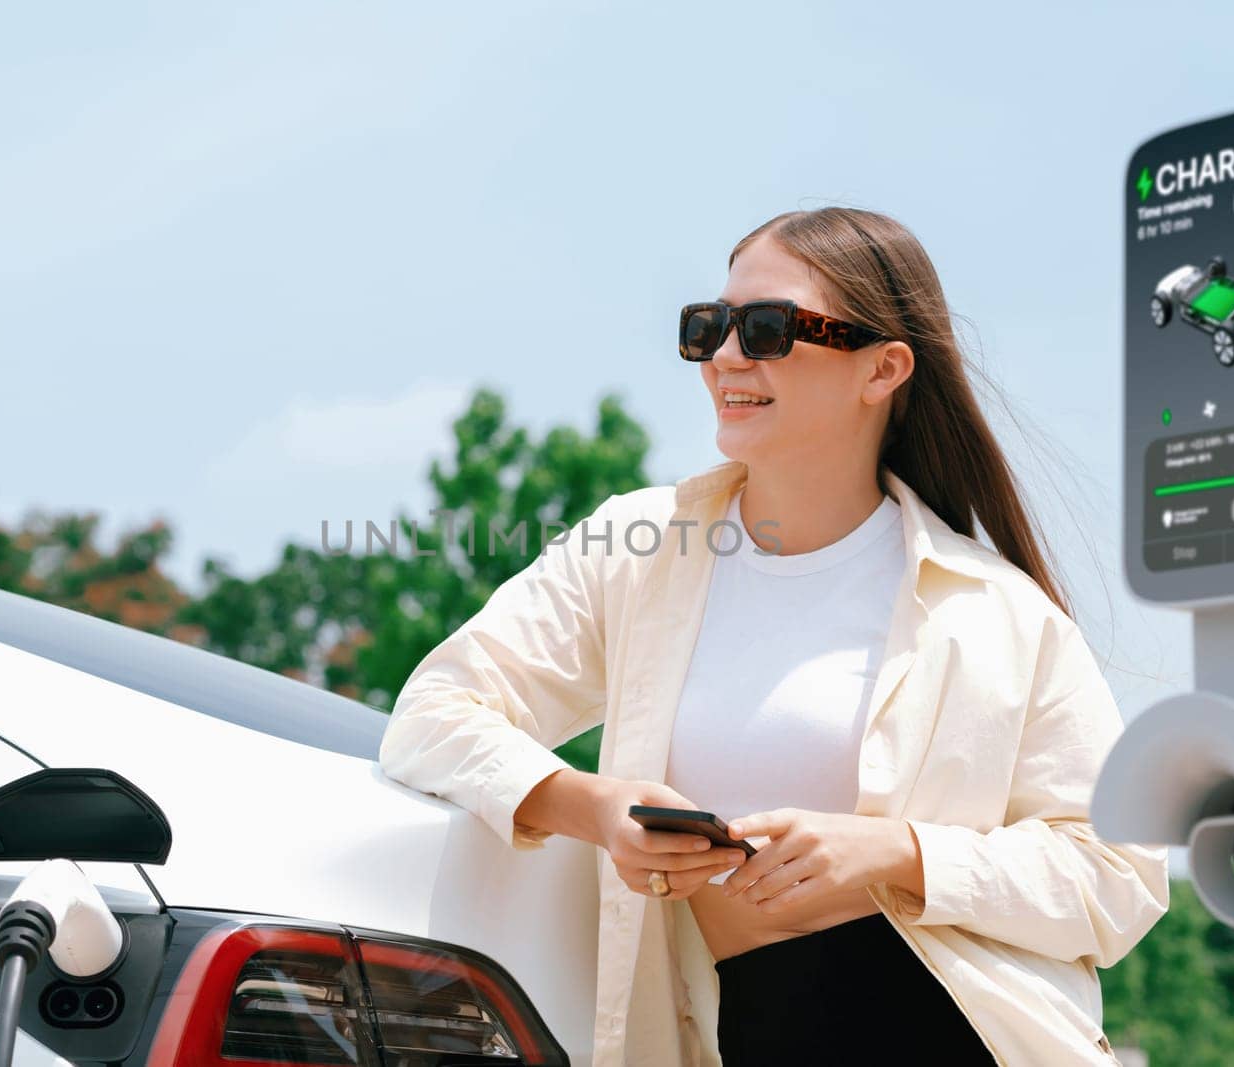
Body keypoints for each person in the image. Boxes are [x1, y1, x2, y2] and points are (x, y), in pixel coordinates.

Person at [377, 206, 1170, 1066]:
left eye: (767, 328)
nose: (725, 355)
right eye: (709, 326)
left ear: (884, 369)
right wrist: (599, 808)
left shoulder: (1002, 613)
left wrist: (895, 851)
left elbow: (1119, 875)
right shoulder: (635, 549)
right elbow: (433, 710)